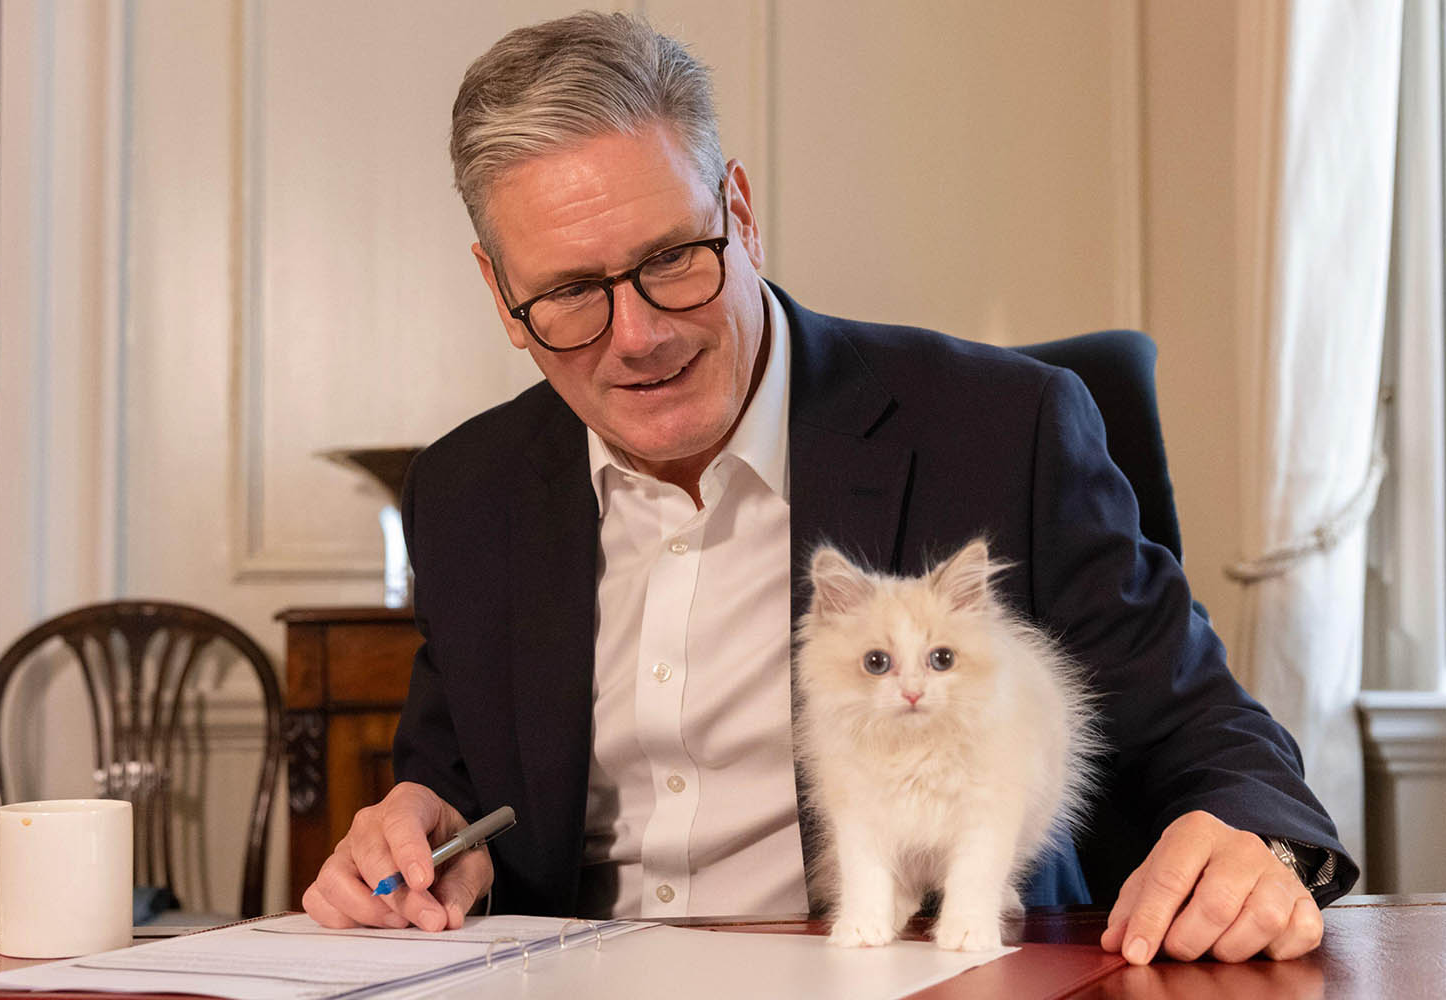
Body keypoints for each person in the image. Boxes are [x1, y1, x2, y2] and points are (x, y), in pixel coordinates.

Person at [303, 12, 1357, 965]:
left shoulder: (1004, 429)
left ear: (742, 212)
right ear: (500, 293)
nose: (640, 336)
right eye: (572, 292)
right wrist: (422, 832)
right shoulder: (464, 492)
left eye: (674, 257)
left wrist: (1249, 840)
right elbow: (450, 788)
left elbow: (1214, 741)